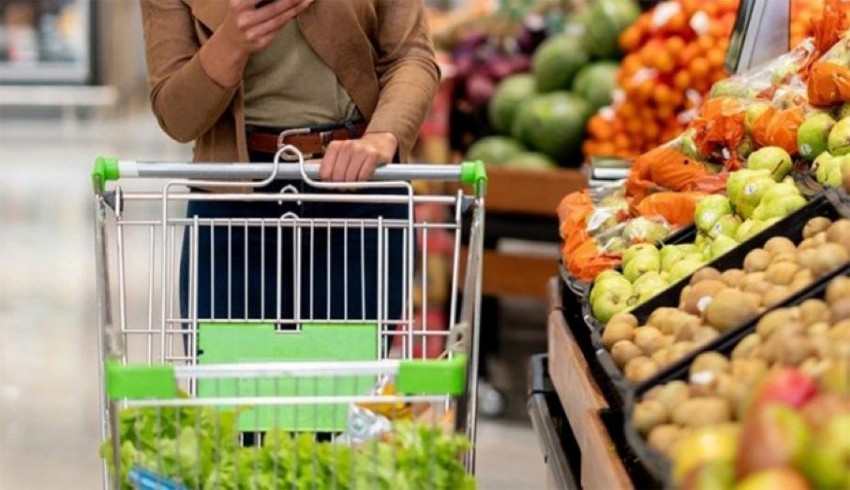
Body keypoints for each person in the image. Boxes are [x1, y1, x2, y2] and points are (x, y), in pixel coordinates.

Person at [139, 0, 440, 348]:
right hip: (232, 197)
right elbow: (177, 117)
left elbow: (411, 55)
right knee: (228, 391)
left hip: (356, 187)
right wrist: (232, 42)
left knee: (345, 389)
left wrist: (382, 135)